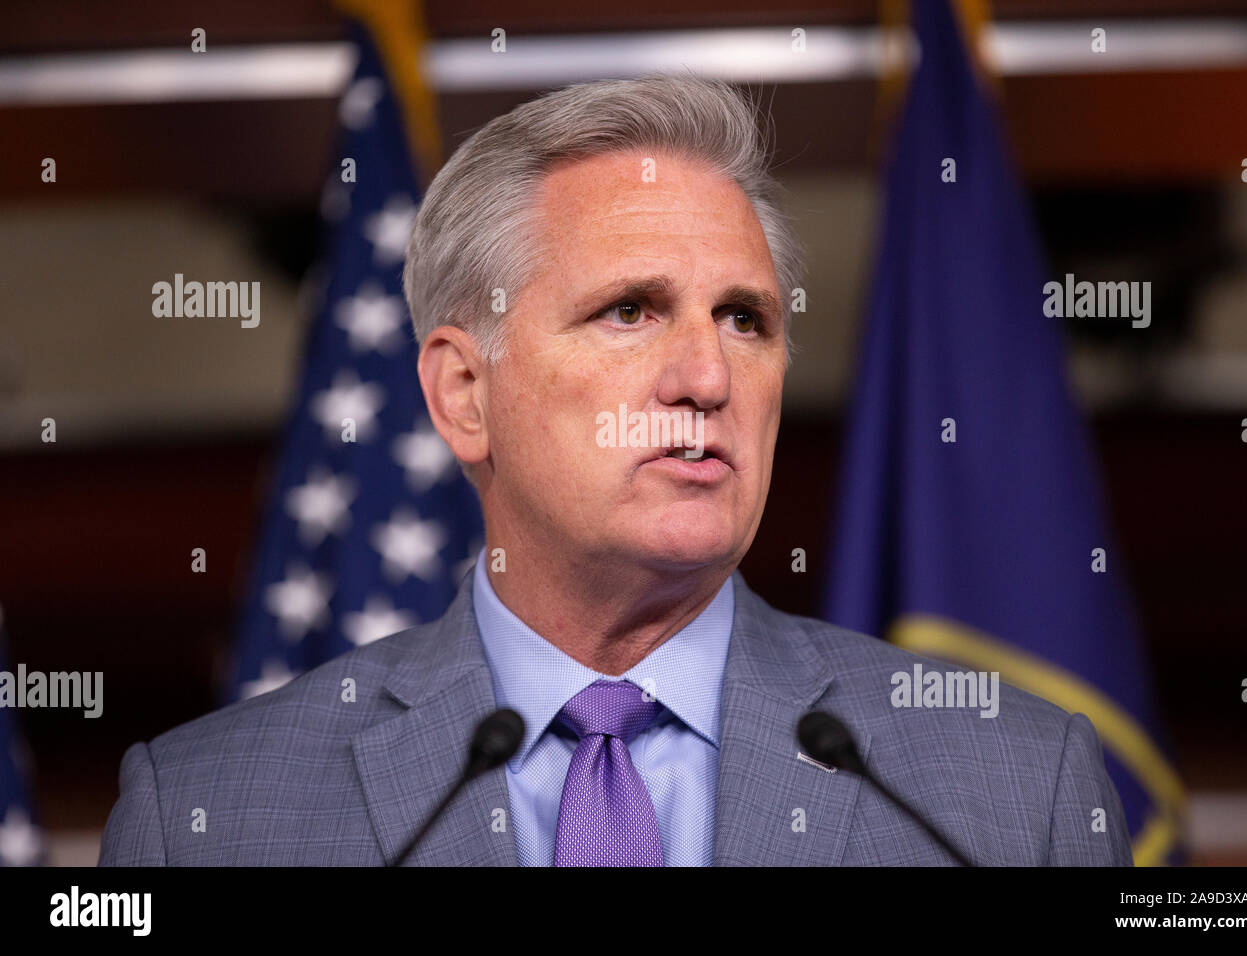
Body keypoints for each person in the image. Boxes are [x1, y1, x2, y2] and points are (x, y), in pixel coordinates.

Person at [99, 75, 1130, 866]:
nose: (705, 374)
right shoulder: (211, 816)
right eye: (629, 309)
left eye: (745, 318)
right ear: (463, 393)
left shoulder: (1012, 790)